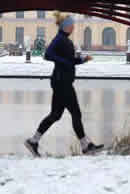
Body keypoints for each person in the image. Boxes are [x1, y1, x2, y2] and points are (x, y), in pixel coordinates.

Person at [24, 13, 104, 157]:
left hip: (61, 81)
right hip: (62, 82)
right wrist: (64, 62)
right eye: (72, 25)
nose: (73, 27)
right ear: (66, 26)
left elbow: (69, 60)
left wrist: (83, 60)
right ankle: (86, 146)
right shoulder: (60, 39)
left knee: (55, 115)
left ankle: (33, 141)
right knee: (76, 113)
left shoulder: (64, 40)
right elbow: (48, 54)